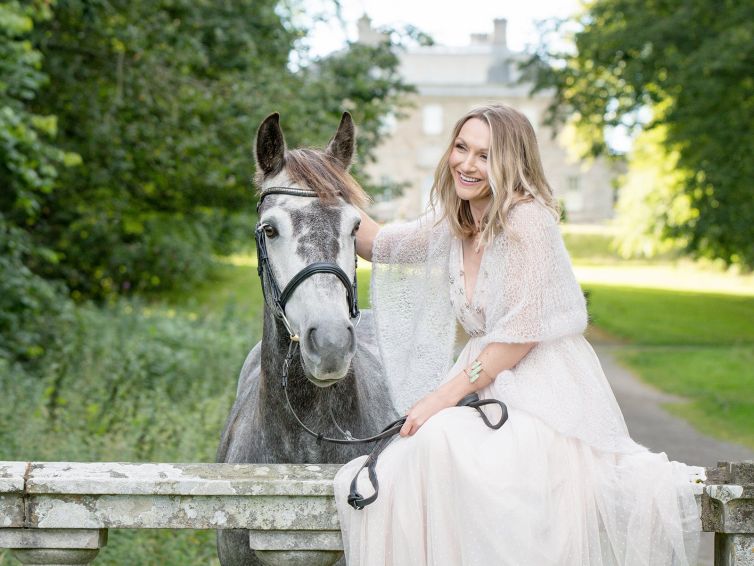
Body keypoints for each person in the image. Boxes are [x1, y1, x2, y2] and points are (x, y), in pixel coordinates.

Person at [333, 104, 701, 565]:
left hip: (544, 388)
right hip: (485, 379)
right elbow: (380, 244)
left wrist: (440, 397)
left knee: (447, 444)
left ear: (512, 162)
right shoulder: (456, 222)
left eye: (485, 156)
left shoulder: (529, 222)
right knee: (410, 461)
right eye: (461, 148)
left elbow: (520, 337)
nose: (467, 164)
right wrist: (321, 190)